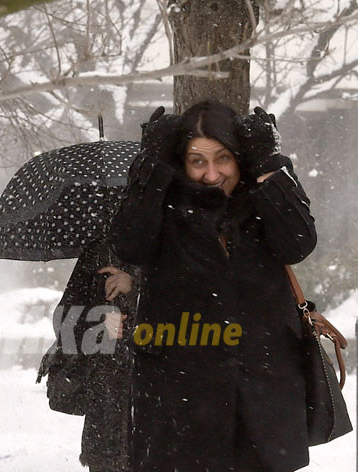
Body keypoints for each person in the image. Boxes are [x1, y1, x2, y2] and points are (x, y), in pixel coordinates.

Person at [109, 101, 316, 471]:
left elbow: (298, 243)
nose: (211, 174)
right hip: (179, 396)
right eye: (197, 161)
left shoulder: (261, 197)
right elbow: (129, 244)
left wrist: (270, 164)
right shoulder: (165, 205)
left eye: (223, 158)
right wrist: (152, 166)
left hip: (262, 392)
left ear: (240, 158)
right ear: (182, 163)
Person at [38, 239, 139, 472]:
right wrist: (99, 321)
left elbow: (189, 307)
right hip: (107, 400)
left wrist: (135, 288)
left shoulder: (176, 245)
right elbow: (66, 319)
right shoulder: (101, 250)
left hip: (158, 396)